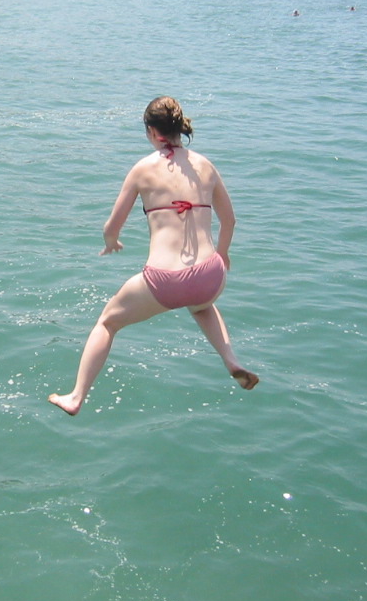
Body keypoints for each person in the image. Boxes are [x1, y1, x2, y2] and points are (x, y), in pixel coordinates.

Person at [49, 96, 258, 416]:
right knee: (202, 306)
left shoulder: (142, 169)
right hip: (211, 274)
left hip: (165, 280)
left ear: (151, 131)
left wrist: (111, 242)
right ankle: (232, 360)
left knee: (107, 323)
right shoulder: (205, 164)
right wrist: (223, 254)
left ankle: (76, 396)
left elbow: (111, 226)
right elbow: (229, 220)